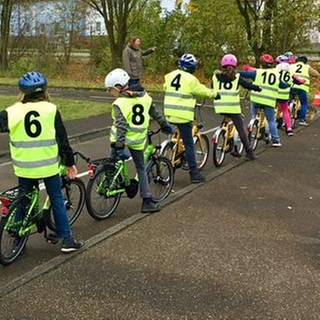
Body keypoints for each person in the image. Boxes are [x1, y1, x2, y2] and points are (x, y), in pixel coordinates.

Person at [0, 71, 84, 253]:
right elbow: (63, 139)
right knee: (56, 200)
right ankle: (67, 240)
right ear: (44, 91)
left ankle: (18, 241)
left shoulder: (12, 111)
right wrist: (69, 162)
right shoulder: (51, 110)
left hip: (24, 168)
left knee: (24, 200)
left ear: (22, 92)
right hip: (48, 167)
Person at [105, 68, 173, 213]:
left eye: (110, 90)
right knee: (141, 168)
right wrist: (165, 125)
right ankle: (147, 201)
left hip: (119, 140)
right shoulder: (146, 97)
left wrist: (119, 145)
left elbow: (121, 126)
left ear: (119, 86)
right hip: (137, 141)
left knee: (112, 164)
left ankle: (108, 182)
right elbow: (155, 113)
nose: (109, 93)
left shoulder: (120, 103)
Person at [163, 53, 219, 183]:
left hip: (169, 112)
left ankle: (170, 155)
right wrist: (215, 94)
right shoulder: (191, 79)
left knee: (173, 135)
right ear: (191, 67)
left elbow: (166, 87)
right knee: (189, 144)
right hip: (183, 115)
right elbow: (202, 91)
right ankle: (194, 173)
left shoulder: (170, 75)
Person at [212, 54, 261, 160]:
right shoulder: (237, 77)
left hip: (219, 106)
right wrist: (257, 88)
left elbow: (213, 87)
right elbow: (248, 85)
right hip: (233, 107)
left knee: (227, 120)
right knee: (241, 129)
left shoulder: (215, 76)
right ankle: (249, 152)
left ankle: (229, 142)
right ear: (235, 65)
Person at [240, 54, 291, 147]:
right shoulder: (276, 75)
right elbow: (283, 85)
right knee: (271, 120)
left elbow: (244, 74)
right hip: (269, 101)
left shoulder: (257, 72)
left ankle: (255, 128)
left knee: (254, 116)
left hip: (256, 99)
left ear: (261, 64)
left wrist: (235, 72)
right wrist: (288, 85)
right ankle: (276, 140)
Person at [289, 55, 320, 126]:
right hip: (302, 87)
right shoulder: (307, 67)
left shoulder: (291, 66)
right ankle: (302, 120)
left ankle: (286, 119)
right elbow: (316, 74)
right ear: (305, 62)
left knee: (288, 102)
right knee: (304, 103)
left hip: (291, 86)